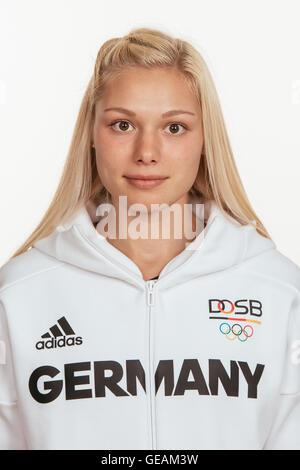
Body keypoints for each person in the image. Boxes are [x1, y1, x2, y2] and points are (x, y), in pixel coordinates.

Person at [0, 27, 300, 451]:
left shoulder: (280, 292)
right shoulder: (17, 296)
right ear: (91, 133)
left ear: (204, 139)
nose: (147, 151)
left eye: (174, 128)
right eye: (122, 124)